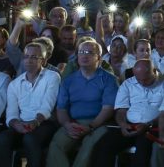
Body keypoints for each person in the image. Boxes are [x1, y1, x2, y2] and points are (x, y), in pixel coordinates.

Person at [46, 37, 118, 167]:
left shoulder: (109, 80)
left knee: (89, 144)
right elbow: (61, 109)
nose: (85, 56)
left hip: (100, 123)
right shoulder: (68, 81)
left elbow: (108, 109)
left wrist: (91, 127)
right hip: (74, 123)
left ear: (99, 58)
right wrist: (67, 125)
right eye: (81, 52)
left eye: (90, 53)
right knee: (56, 144)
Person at [0, 41, 62, 167]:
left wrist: (35, 122)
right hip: (21, 124)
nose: (29, 60)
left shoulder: (52, 77)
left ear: (43, 61)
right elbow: (11, 113)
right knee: (3, 138)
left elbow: (47, 106)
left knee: (30, 139)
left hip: (44, 123)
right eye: (26, 57)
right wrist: (16, 124)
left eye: (34, 57)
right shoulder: (14, 84)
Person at [91, 58, 164, 167]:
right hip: (130, 125)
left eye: (145, 79)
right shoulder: (128, 84)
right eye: (138, 79)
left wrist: (148, 124)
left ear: (154, 72)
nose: (141, 83)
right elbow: (121, 110)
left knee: (143, 149)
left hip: (154, 127)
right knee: (104, 144)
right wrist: (122, 124)